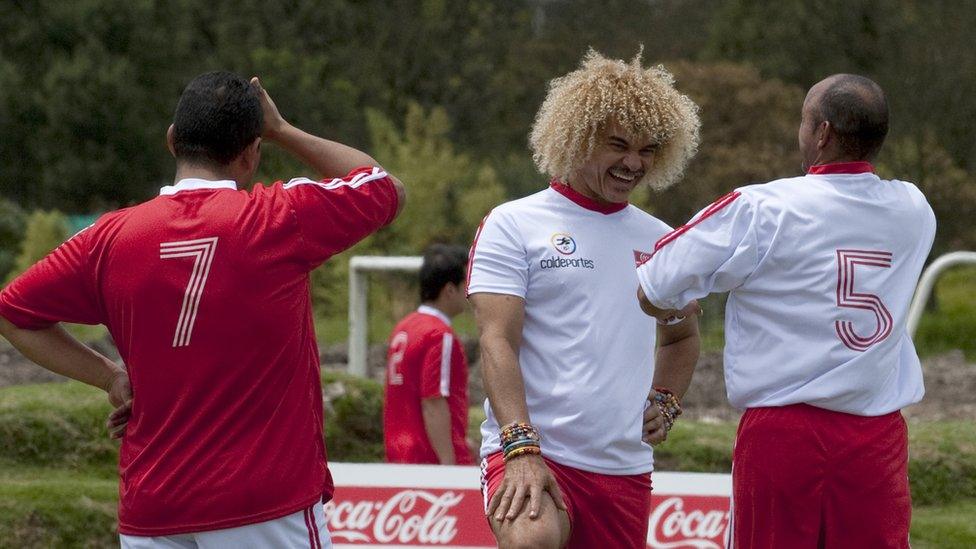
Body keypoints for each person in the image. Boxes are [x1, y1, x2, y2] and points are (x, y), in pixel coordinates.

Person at [0, 71, 404, 548]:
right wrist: (283, 130)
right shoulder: (277, 218)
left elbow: (13, 314)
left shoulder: (107, 239)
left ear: (172, 141)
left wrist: (110, 377)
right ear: (252, 153)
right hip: (262, 505)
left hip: (153, 508)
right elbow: (383, 187)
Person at [636, 74, 934, 548]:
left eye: (804, 120)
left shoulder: (761, 207)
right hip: (877, 436)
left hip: (784, 431)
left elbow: (655, 281)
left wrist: (673, 307)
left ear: (823, 134)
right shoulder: (915, 209)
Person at [467, 50, 702, 548]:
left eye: (648, 150)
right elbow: (496, 341)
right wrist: (519, 446)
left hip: (623, 469)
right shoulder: (513, 223)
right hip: (533, 451)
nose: (633, 163)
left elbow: (682, 335)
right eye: (618, 145)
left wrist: (666, 401)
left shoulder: (664, 241)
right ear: (575, 138)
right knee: (532, 539)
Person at [383, 244, 473, 465]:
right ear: (450, 290)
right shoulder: (439, 335)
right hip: (428, 457)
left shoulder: (403, 327)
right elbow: (433, 401)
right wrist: (448, 462)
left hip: (399, 452)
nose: (469, 291)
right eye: (466, 284)